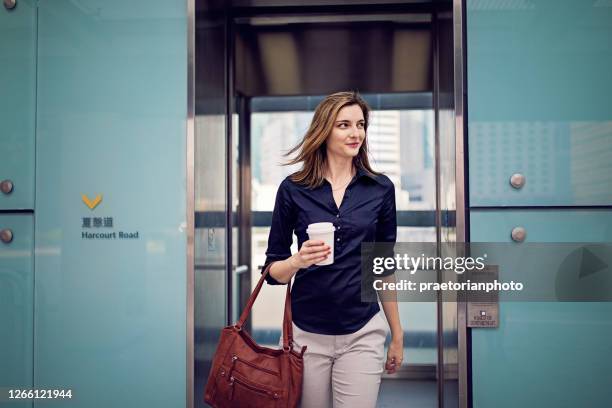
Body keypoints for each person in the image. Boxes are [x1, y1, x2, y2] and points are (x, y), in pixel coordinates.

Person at [262, 91, 403, 408]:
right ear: (324, 130)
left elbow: (382, 266)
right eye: (344, 125)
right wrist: (298, 260)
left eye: (360, 124)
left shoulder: (380, 189)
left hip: (362, 331)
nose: (356, 133)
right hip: (306, 335)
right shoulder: (293, 189)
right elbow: (273, 272)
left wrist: (398, 333)